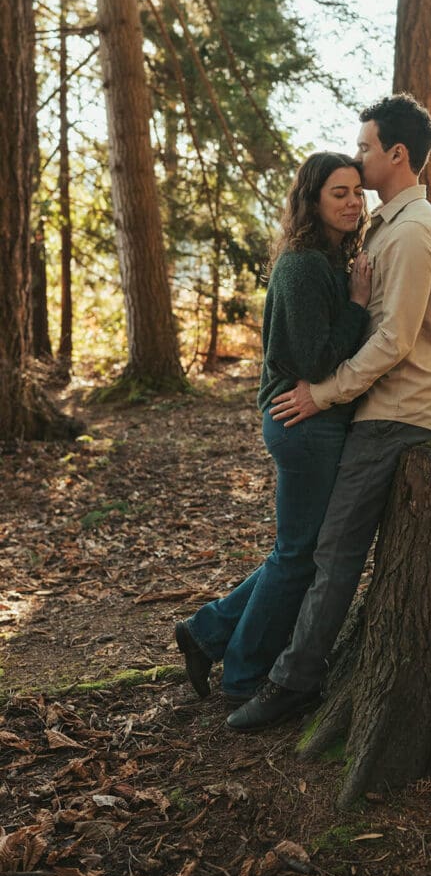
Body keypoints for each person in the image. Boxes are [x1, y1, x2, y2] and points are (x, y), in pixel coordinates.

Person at [227, 93, 431, 731]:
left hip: (394, 410)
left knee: (331, 550)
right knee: (313, 547)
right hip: (371, 407)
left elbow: (392, 341)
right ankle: (233, 643)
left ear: (395, 154)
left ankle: (292, 681)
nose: (358, 160)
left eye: (365, 149)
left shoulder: (410, 232)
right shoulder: (385, 225)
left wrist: (321, 394)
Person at [175, 152, 372, 703]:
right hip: (302, 424)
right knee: (298, 556)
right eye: (339, 192)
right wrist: (358, 304)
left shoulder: (327, 258)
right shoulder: (306, 264)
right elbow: (314, 362)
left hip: (309, 423)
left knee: (296, 552)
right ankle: (241, 677)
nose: (353, 201)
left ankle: (206, 633)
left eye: (358, 191)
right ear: (311, 199)